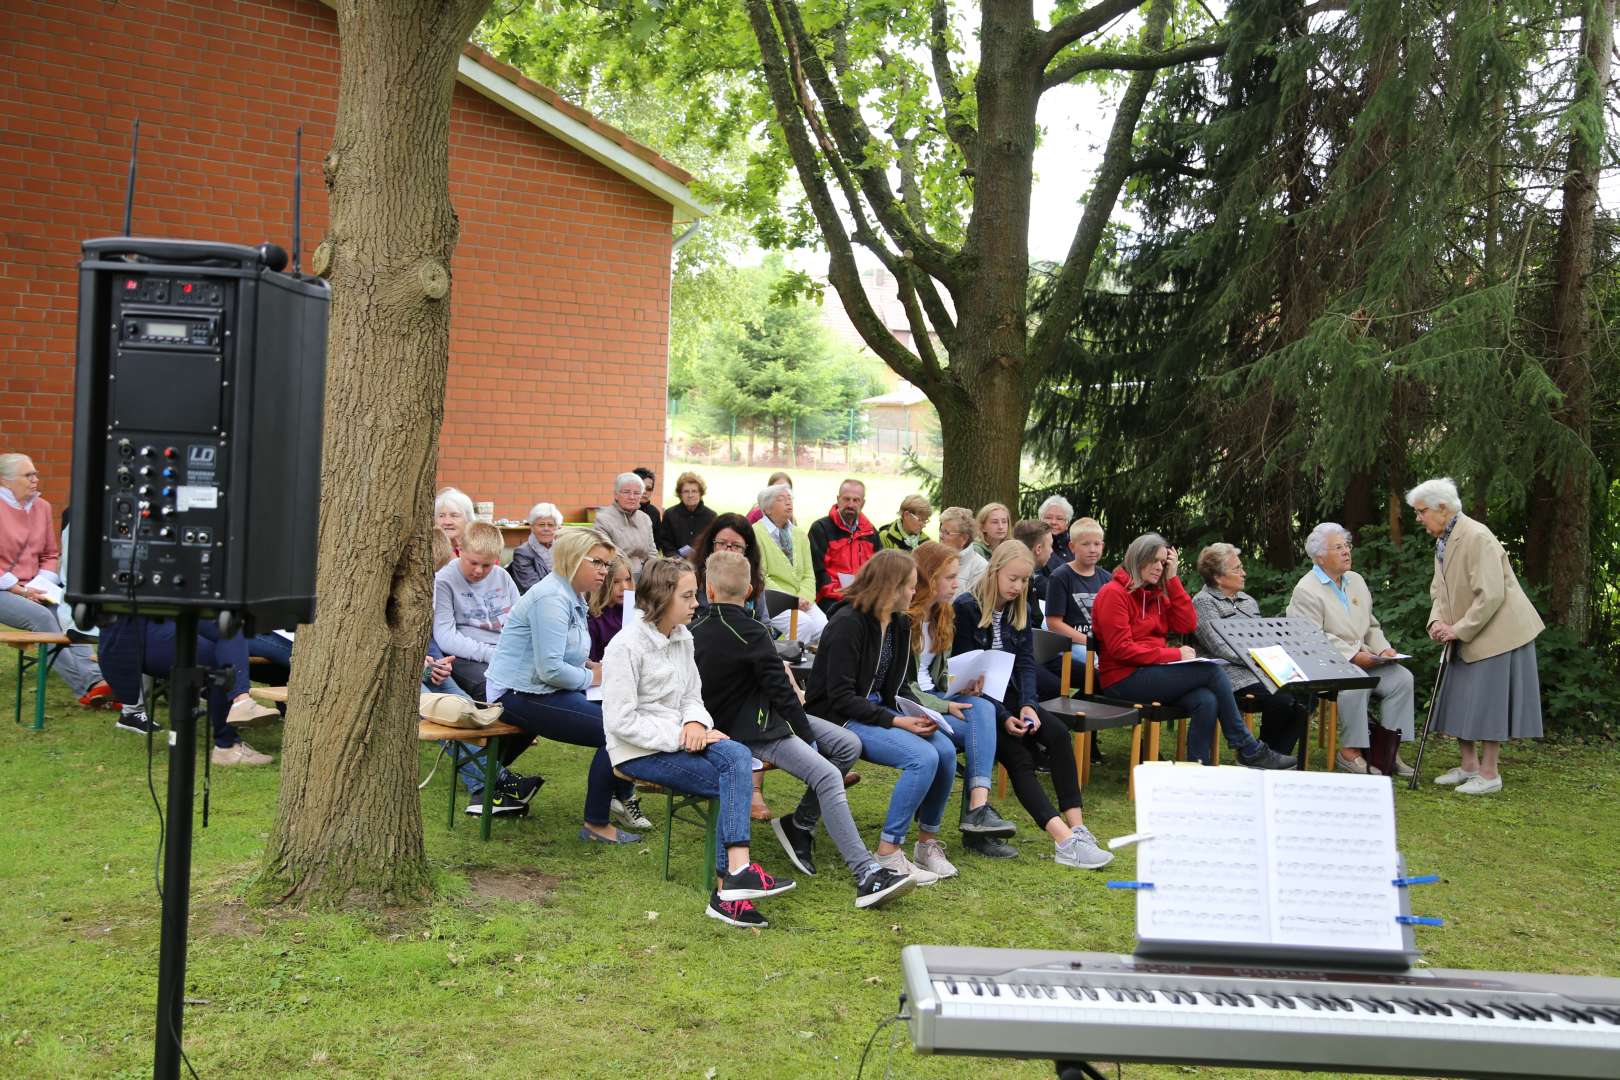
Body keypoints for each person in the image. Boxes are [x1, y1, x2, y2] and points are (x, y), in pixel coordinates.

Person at [692, 551, 915, 910]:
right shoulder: (753, 631)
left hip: (750, 720)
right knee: (827, 774)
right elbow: (781, 692)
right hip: (755, 730)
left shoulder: (693, 630)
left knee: (846, 744)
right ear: (751, 590)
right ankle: (866, 873)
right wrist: (807, 737)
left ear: (708, 590)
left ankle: (799, 823)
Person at [604, 557, 797, 928]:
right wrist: (683, 734)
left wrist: (694, 721)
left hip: (684, 739)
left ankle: (736, 875)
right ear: (661, 598)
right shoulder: (625, 647)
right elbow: (620, 722)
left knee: (738, 754)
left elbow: (693, 697)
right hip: (639, 752)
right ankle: (729, 890)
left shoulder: (683, 637)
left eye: (696, 595)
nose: (697, 604)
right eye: (688, 596)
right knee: (735, 778)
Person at [952, 542, 1113, 870]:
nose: (1018, 587)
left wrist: (1027, 705)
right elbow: (964, 672)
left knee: (1057, 735)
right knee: (1020, 757)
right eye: (1013, 579)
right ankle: (1063, 840)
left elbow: (1025, 663)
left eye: (1025, 581)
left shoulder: (1018, 608)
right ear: (995, 571)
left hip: (1012, 694)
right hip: (979, 701)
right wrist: (1004, 716)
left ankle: (1078, 828)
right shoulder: (967, 607)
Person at [805, 550, 957, 884]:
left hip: (879, 710)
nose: (914, 594)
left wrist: (919, 712)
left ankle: (926, 844)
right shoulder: (847, 623)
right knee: (922, 758)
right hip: (838, 716)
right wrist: (897, 722)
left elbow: (896, 687)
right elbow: (840, 698)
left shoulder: (900, 623)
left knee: (945, 750)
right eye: (909, 587)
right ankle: (888, 851)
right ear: (890, 587)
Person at [483, 527, 644, 842]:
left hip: (538, 689)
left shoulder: (569, 593)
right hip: (518, 694)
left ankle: (617, 799)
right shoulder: (551, 599)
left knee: (622, 716)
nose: (604, 571)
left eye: (606, 564)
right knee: (614, 730)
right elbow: (550, 670)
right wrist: (593, 677)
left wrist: (590, 667)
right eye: (596, 562)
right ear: (572, 559)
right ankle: (597, 825)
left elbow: (565, 654)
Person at [1094, 533, 1296, 769]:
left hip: (1152, 672)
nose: (1160, 567)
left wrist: (1172, 580)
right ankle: (1247, 747)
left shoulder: (1155, 594)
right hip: (1122, 678)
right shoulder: (1113, 594)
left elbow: (1186, 624)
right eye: (1156, 561)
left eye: (1164, 562)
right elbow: (1121, 649)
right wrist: (1174, 655)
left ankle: (1199, 767)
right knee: (1210, 671)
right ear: (1138, 559)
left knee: (1205, 699)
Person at [1408, 478, 1544, 795]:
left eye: (1421, 511)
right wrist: (1437, 623)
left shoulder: (1477, 536)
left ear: (1442, 508)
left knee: (1487, 703)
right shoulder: (1444, 539)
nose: (1418, 518)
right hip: (1467, 630)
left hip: (1499, 633)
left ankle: (1490, 773)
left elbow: (1492, 595)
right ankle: (1469, 767)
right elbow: (1438, 591)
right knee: (1458, 699)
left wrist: (1457, 629)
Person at [903, 541, 1018, 858]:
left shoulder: (941, 615)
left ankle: (977, 809)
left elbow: (940, 677)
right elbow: (901, 686)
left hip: (937, 696)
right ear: (927, 578)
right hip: (913, 703)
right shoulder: (905, 619)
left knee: (982, 708)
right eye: (950, 577)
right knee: (983, 726)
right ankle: (977, 819)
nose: (957, 584)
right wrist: (945, 704)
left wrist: (962, 684)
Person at [1287, 522, 1414, 776]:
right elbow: (1311, 639)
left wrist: (1384, 650)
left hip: (1366, 657)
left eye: (1347, 546)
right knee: (1356, 682)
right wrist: (1353, 657)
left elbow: (1372, 625)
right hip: (1326, 663)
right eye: (1338, 547)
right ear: (1320, 557)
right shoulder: (1306, 590)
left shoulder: (1355, 580)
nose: (1347, 551)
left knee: (1402, 678)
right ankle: (1350, 752)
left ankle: (1387, 752)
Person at [0, 453, 116, 709]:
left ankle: (99, 679)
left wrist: (41, 584)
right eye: (28, 475)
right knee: (42, 618)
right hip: (4, 588)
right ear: (6, 481)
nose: (35, 479)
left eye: (36, 474)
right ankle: (87, 685)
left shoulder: (42, 507)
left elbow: (51, 554)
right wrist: (20, 589)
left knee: (73, 608)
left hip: (35, 585)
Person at [98, 616, 274, 765]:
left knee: (230, 626)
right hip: (134, 628)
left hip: (180, 611)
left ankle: (241, 701)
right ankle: (226, 746)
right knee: (217, 657)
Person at [1191, 543, 1310, 757]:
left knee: (1306, 696)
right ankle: (1262, 755)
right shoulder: (1203, 602)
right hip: (1230, 673)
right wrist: (1258, 658)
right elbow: (1219, 647)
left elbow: (1261, 637)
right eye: (1237, 569)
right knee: (1282, 698)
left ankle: (1274, 753)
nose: (1243, 573)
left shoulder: (1248, 602)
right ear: (1218, 577)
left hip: (1261, 667)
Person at [431, 521, 518, 703]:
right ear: (460, 549)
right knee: (495, 691)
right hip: (466, 656)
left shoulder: (503, 576)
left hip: (504, 652)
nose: (478, 571)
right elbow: (446, 637)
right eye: (473, 563)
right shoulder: (444, 580)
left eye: (487, 565)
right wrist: (492, 654)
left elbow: (519, 622)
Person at [754, 483, 825, 645]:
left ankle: (802, 661)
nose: (788, 502)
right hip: (772, 599)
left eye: (789, 498)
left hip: (801, 598)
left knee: (824, 627)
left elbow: (808, 573)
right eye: (781, 499)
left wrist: (805, 597)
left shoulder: (799, 534)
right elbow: (761, 575)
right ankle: (782, 663)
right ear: (767, 509)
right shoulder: (755, 533)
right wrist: (791, 600)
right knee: (803, 624)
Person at [808, 478, 880, 613]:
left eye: (856, 500)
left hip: (864, 597)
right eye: (846, 499)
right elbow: (817, 571)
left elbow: (878, 570)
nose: (850, 505)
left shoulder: (870, 532)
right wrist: (842, 594)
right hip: (831, 597)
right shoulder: (821, 529)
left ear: (863, 503)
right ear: (838, 499)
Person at [692, 513, 773, 630]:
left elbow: (765, 625)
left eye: (736, 546)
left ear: (746, 550)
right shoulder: (694, 578)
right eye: (721, 543)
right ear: (711, 545)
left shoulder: (753, 580)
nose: (728, 551)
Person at [595, 472, 656, 579]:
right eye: (626, 492)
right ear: (616, 495)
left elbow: (652, 552)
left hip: (645, 577)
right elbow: (608, 554)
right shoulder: (603, 518)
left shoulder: (645, 519)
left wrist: (651, 575)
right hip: (617, 577)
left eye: (637, 493)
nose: (632, 497)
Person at [656, 471, 716, 557]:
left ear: (701, 493)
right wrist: (678, 558)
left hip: (702, 563)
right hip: (676, 564)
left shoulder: (711, 516)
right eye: (686, 491)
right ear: (680, 494)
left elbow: (712, 544)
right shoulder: (670, 515)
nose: (690, 495)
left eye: (694, 491)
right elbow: (666, 544)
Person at [508, 502, 563, 594]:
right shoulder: (523, 553)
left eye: (551, 525)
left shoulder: (562, 550)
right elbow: (532, 588)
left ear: (557, 528)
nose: (546, 529)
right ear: (532, 527)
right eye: (541, 525)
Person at [587, 555, 632, 662]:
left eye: (627, 579)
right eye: (616, 582)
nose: (624, 587)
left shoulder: (630, 609)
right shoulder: (592, 619)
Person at [937, 506, 987, 596]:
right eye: (941, 530)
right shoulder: (934, 558)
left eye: (947, 532)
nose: (941, 536)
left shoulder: (980, 567)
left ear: (963, 539)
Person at [434, 486, 475, 556]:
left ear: (468, 519)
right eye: (441, 516)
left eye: (454, 515)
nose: (447, 522)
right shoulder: (428, 550)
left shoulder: (480, 548)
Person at [1038, 495, 1075, 571]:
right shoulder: (1032, 544)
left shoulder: (1074, 547)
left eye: (1059, 518)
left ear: (1067, 524)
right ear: (1040, 520)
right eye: (1048, 517)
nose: (1053, 522)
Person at [632, 466, 662, 534]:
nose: (645, 492)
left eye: (649, 489)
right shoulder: (622, 510)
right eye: (641, 487)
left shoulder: (654, 512)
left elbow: (658, 541)